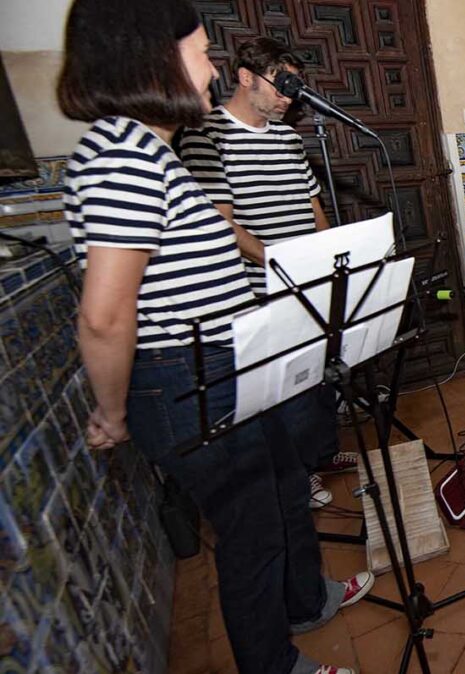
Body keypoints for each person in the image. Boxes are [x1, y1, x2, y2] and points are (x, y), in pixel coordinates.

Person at [58, 2, 367, 672]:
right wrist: (111, 417)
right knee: (250, 534)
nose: (210, 68)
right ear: (150, 58)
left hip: (226, 366)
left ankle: (305, 600)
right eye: (198, 51)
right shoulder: (120, 156)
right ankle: (273, 663)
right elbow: (105, 316)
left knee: (286, 484)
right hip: (183, 379)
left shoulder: (150, 150)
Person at [179, 36, 353, 510]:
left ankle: (319, 454)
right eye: (282, 84)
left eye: (295, 87)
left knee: (317, 380)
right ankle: (297, 476)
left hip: (308, 282)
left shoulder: (288, 137)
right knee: (284, 392)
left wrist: (329, 256)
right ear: (246, 76)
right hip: (259, 289)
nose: (289, 96)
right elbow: (223, 223)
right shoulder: (205, 135)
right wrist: (279, 263)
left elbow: (312, 204)